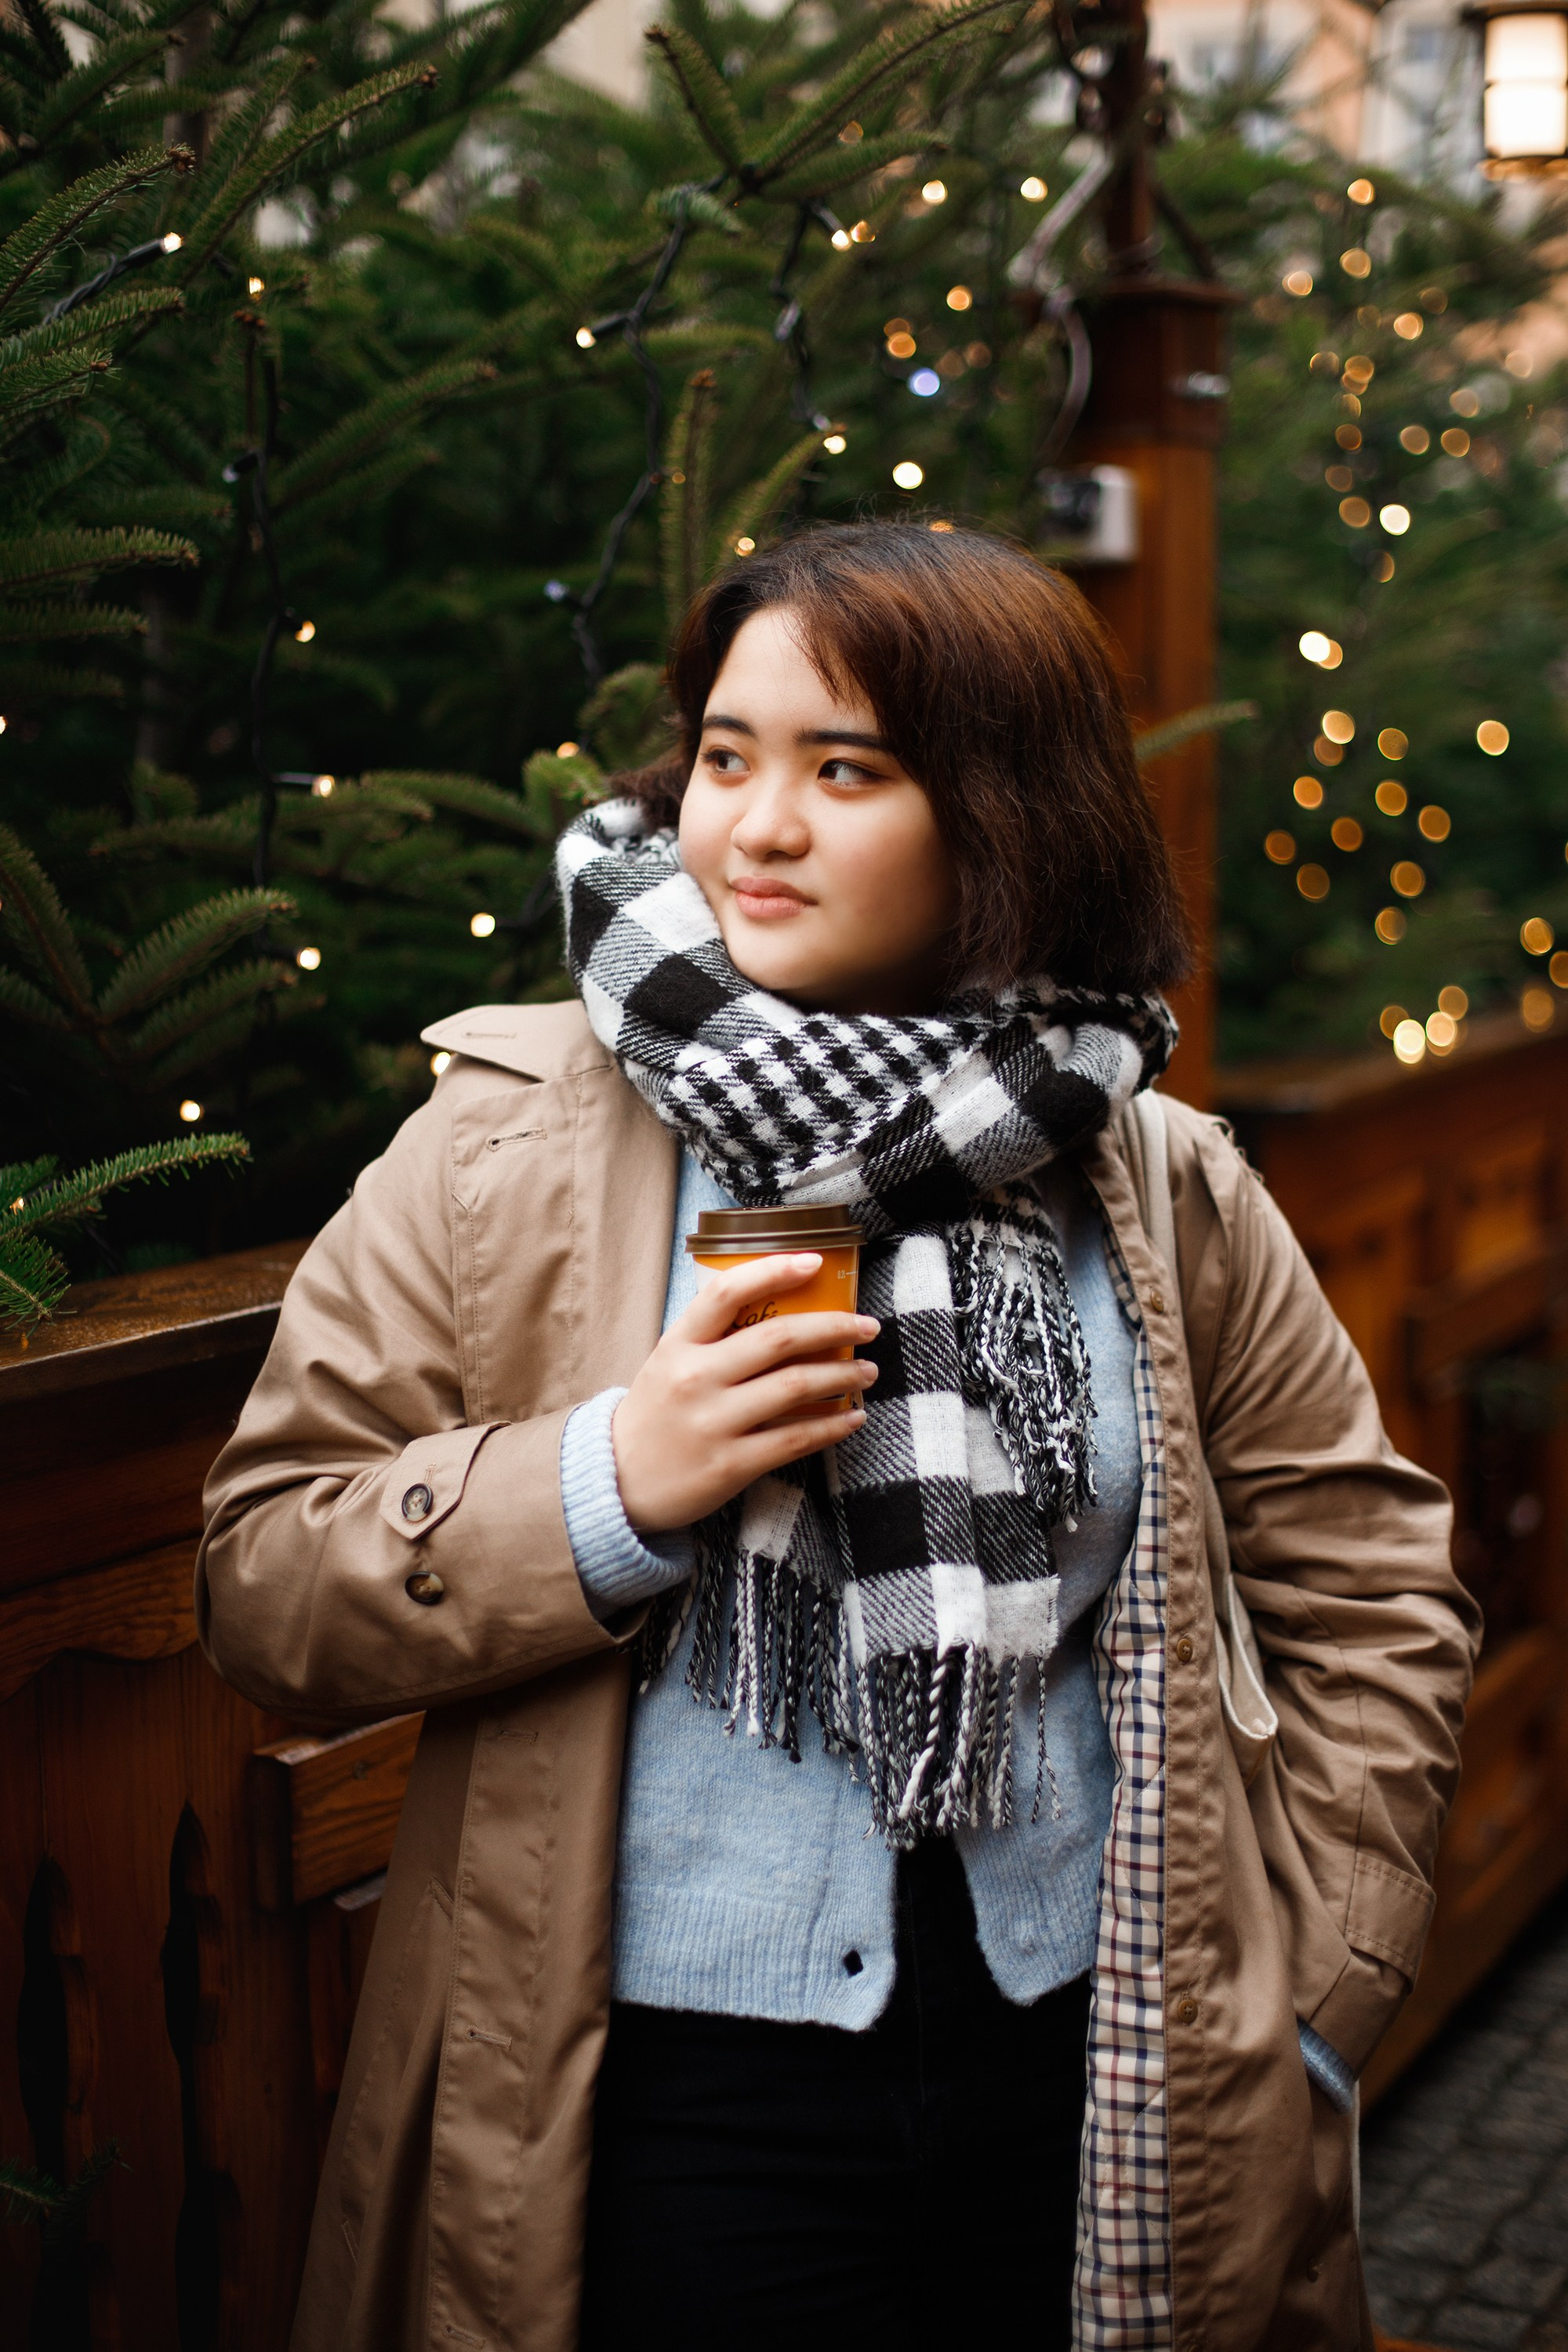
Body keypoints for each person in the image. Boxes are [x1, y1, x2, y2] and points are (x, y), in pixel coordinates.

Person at [198, 521, 1478, 2352]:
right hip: (658, 2090)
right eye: (726, 755)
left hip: (1097, 2058)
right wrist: (607, 1483)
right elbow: (263, 1575)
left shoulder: (1154, 1172)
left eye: (843, 770)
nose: (756, 826)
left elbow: (1368, 1594)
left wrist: (1324, 1989)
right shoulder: (501, 1143)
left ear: (1003, 815)